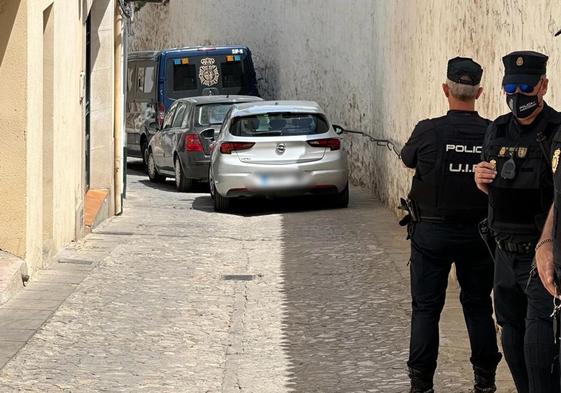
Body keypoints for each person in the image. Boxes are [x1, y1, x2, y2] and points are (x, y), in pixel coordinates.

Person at [402, 57, 502, 393]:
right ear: (480, 92)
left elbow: (407, 158)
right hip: (478, 235)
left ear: (446, 89)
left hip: (432, 233)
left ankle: (421, 384)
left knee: (426, 308)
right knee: (477, 306)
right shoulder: (493, 131)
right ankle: (485, 381)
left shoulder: (428, 129)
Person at [474, 51, 561, 393]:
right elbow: (495, 183)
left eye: (526, 87)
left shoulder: (556, 131)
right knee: (511, 336)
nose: (518, 96)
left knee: (540, 349)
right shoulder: (496, 129)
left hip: (541, 254)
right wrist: (481, 180)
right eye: (511, 87)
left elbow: (559, 193)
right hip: (504, 253)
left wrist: (548, 243)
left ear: (543, 85)